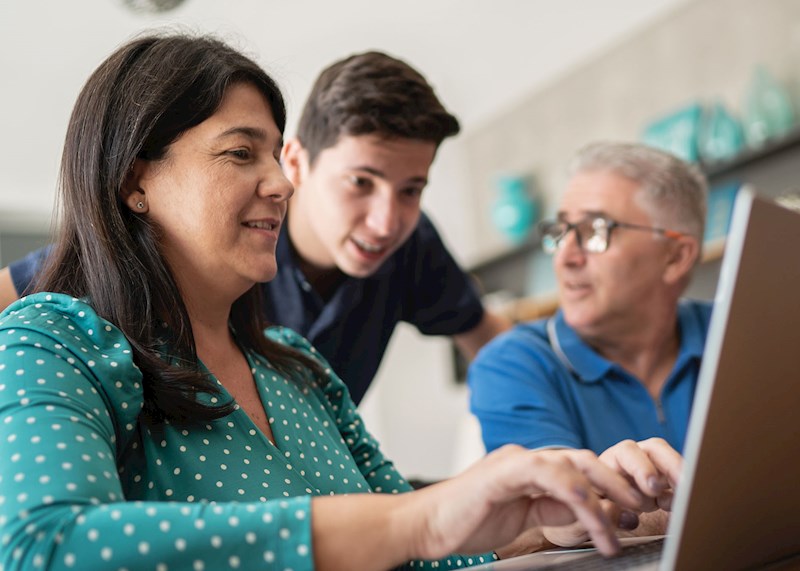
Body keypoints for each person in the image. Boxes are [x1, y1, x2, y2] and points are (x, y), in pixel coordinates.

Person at [0, 33, 681, 570]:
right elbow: (43, 547)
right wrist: (419, 518)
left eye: (273, 157)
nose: (279, 183)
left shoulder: (298, 366)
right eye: (241, 154)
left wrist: (551, 513)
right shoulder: (53, 338)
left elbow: (415, 542)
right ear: (132, 180)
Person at [0, 49, 510, 405]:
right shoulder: (195, 250)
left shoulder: (413, 248)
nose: (385, 221)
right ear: (299, 164)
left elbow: (493, 346)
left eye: (411, 190)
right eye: (360, 182)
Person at [468, 141, 710, 457]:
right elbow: (553, 501)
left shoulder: (741, 330)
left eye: (595, 230)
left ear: (676, 257)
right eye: (562, 230)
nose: (565, 256)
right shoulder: (512, 364)